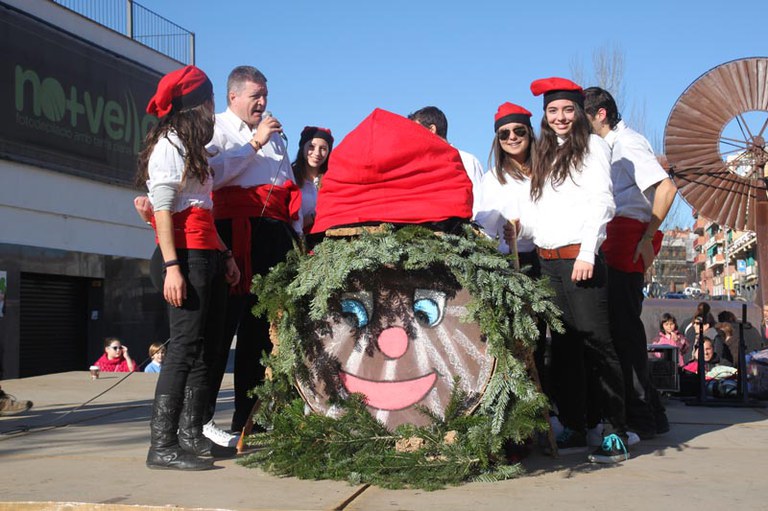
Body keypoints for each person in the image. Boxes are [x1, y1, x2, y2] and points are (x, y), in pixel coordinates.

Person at [519, 77, 628, 464]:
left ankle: (615, 430)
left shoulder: (592, 147)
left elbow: (602, 202)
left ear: (579, 112)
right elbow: (541, 211)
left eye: (567, 109)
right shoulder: (544, 152)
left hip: (579, 260)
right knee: (564, 349)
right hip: (547, 261)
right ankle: (576, 425)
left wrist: (587, 252)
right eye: (553, 110)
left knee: (598, 344)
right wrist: (519, 228)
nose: (560, 117)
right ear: (545, 116)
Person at [138, 65, 240, 470]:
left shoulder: (191, 146)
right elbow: (163, 209)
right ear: (200, 104)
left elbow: (202, 210)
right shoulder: (169, 146)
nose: (214, 109)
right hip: (183, 256)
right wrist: (172, 267)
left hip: (205, 252)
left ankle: (191, 434)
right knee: (182, 348)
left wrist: (226, 255)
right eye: (211, 100)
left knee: (205, 349)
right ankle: (161, 444)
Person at [207, 65, 302, 435]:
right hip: (232, 233)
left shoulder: (274, 136)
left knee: (260, 329)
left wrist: (296, 237)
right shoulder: (215, 128)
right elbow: (212, 176)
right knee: (221, 328)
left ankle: (248, 417)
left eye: (265, 96)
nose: (262, 103)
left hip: (272, 234)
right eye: (255, 96)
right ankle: (200, 418)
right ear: (233, 96)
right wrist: (254, 144)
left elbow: (287, 186)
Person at [583, 86, 677, 440]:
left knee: (624, 334)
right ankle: (650, 415)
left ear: (600, 114)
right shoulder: (612, 145)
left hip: (625, 237)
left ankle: (642, 417)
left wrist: (647, 236)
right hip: (619, 237)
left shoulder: (628, 143)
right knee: (623, 332)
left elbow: (666, 188)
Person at [473, 101, 552, 395]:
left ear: (529, 133)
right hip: (514, 264)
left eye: (518, 130)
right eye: (504, 133)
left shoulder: (550, 171)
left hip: (550, 258)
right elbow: (484, 225)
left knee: (555, 335)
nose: (512, 137)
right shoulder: (493, 179)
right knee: (522, 337)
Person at [408, 106, 485, 193]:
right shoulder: (419, 167)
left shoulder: (467, 161)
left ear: (432, 129)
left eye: (417, 131)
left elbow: (478, 198)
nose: (413, 137)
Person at [292, 126, 334, 233]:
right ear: (302, 147)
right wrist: (315, 216)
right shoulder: (291, 177)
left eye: (323, 148)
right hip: (299, 238)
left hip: (328, 237)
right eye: (311, 146)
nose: (317, 153)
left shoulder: (332, 179)